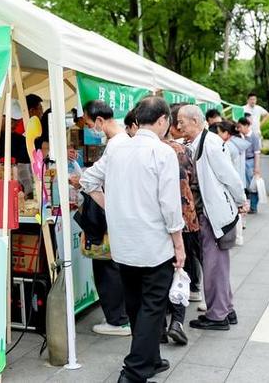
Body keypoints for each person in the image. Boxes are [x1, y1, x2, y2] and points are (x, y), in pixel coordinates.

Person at [82, 96, 185, 383]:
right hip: (154, 244)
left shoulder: (117, 150)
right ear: (163, 120)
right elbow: (170, 206)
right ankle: (134, 370)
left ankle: (151, 359)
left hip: (124, 244)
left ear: (138, 120)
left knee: (136, 305)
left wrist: (110, 205)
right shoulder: (162, 153)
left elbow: (87, 181)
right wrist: (179, 245)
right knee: (152, 307)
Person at [177, 105, 248, 331]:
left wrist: (241, 200)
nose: (179, 126)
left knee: (214, 265)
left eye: (182, 122)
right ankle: (226, 309)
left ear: (196, 121)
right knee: (217, 264)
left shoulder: (210, 143)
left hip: (212, 214)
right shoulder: (199, 142)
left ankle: (217, 315)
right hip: (208, 214)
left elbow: (230, 176)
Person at [79, 100, 130, 336]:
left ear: (99, 121)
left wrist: (109, 207)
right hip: (127, 217)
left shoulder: (116, 144)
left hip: (116, 221)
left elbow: (89, 179)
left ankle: (117, 319)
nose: (90, 129)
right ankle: (122, 316)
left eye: (90, 124)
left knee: (107, 267)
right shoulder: (125, 141)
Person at [161, 106, 201, 346]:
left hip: (159, 221)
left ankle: (160, 326)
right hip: (184, 218)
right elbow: (193, 181)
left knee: (160, 272)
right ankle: (177, 321)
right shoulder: (182, 150)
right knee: (180, 270)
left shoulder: (150, 151)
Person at [237, 117, 261, 213]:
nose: (239, 129)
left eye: (240, 127)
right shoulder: (240, 136)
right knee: (245, 185)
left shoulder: (254, 136)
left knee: (252, 186)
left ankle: (254, 207)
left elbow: (257, 153)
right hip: (241, 162)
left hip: (250, 162)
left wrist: (257, 167)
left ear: (246, 126)